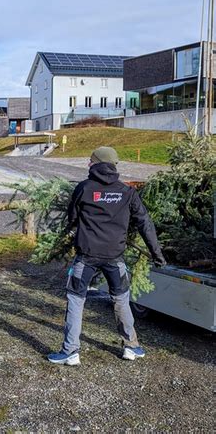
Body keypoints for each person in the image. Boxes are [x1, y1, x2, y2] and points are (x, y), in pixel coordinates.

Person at [48, 146, 166, 366]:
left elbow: (72, 218)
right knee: (121, 299)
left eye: (90, 161)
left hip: (87, 257)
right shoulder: (127, 192)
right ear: (114, 166)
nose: (87, 164)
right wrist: (156, 253)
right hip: (115, 257)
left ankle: (71, 351)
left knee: (76, 298)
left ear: (96, 164)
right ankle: (131, 347)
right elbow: (144, 223)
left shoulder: (84, 188)